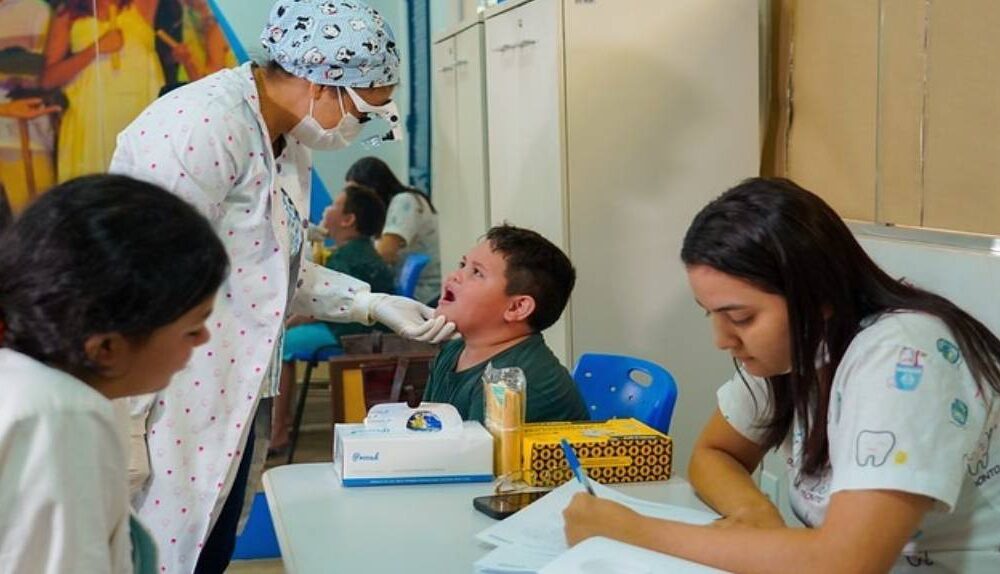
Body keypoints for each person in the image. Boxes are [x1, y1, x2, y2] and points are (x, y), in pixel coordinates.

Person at [109, 1, 454, 571]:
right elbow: (138, 274)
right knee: (154, 554)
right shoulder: (203, 126)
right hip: (168, 398)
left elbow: (267, 269)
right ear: (323, 82)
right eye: (363, 112)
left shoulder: (283, 138)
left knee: (208, 548)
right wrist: (124, 418)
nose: (359, 128)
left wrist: (368, 302)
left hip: (232, 392)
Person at [563, 178, 1000, 572]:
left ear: (817, 295)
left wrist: (634, 531)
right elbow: (715, 453)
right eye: (711, 315)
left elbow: (848, 563)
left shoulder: (904, 355)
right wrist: (752, 512)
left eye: (741, 317)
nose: (722, 340)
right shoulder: (796, 352)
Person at [0, 173, 228, 573]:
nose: (204, 338)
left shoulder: (30, 387)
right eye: (192, 328)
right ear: (106, 347)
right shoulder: (59, 418)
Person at [271, 183, 395, 453]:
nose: (326, 209)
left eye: (333, 206)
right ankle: (281, 424)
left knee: (280, 346)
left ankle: (277, 431)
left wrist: (287, 323)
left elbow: (324, 306)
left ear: (348, 220)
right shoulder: (359, 252)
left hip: (349, 336)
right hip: (361, 331)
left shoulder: (347, 258)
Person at [425, 224, 588, 423]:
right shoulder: (453, 351)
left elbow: (475, 454)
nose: (455, 276)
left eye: (477, 272)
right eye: (462, 265)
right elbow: (428, 432)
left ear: (517, 307)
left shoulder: (512, 383)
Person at [40, 0, 166, 182]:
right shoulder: (69, 14)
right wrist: (95, 49)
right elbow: (48, 79)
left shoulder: (142, 5)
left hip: (137, 117)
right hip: (91, 121)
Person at [347, 156, 442, 304]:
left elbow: (385, 253)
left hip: (424, 292)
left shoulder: (405, 202)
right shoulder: (388, 208)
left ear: (373, 188)